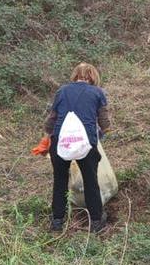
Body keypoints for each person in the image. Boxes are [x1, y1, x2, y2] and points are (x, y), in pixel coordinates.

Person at [45, 63, 111, 233]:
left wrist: (47, 139)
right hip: (86, 144)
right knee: (90, 181)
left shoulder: (62, 91)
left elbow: (51, 120)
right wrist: (102, 133)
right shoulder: (97, 93)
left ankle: (57, 221)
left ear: (75, 75)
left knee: (60, 181)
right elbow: (104, 123)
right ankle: (96, 222)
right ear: (92, 76)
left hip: (60, 143)